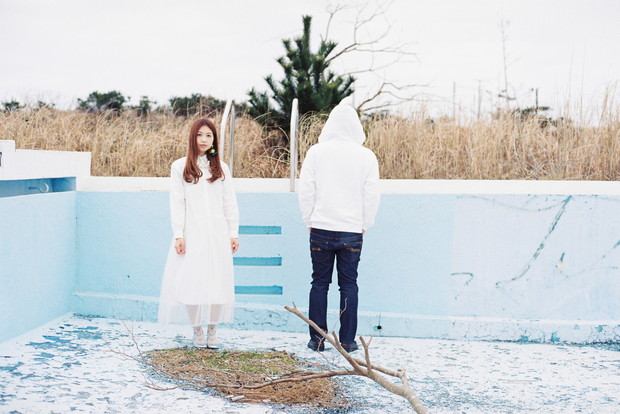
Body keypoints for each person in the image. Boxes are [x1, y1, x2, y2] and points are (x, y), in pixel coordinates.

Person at [298, 98, 380, 352]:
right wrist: (365, 223)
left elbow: (306, 190)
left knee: (319, 284)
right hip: (352, 230)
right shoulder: (366, 156)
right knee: (349, 285)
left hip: (320, 227)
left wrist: (309, 219)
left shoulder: (316, 152)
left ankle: (317, 339)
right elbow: (372, 194)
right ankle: (347, 341)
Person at [158, 118, 239, 349]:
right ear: (192, 137)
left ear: (214, 140)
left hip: (218, 233)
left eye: (209, 135)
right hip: (192, 233)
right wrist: (178, 234)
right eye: (199, 135)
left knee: (217, 282)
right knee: (191, 282)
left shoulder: (221, 168)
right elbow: (177, 202)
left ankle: (213, 329)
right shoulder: (180, 167)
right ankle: (197, 330)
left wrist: (233, 232)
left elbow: (229, 202)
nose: (204, 139)